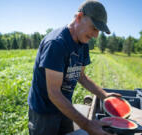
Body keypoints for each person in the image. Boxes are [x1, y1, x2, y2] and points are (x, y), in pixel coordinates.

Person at [28, 0, 121, 135]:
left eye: (98, 30)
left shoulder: (83, 43)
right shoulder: (56, 44)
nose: (96, 35)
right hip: (44, 112)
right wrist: (87, 125)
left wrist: (104, 95)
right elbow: (54, 93)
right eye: (94, 27)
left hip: (65, 107)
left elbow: (81, 76)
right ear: (79, 17)